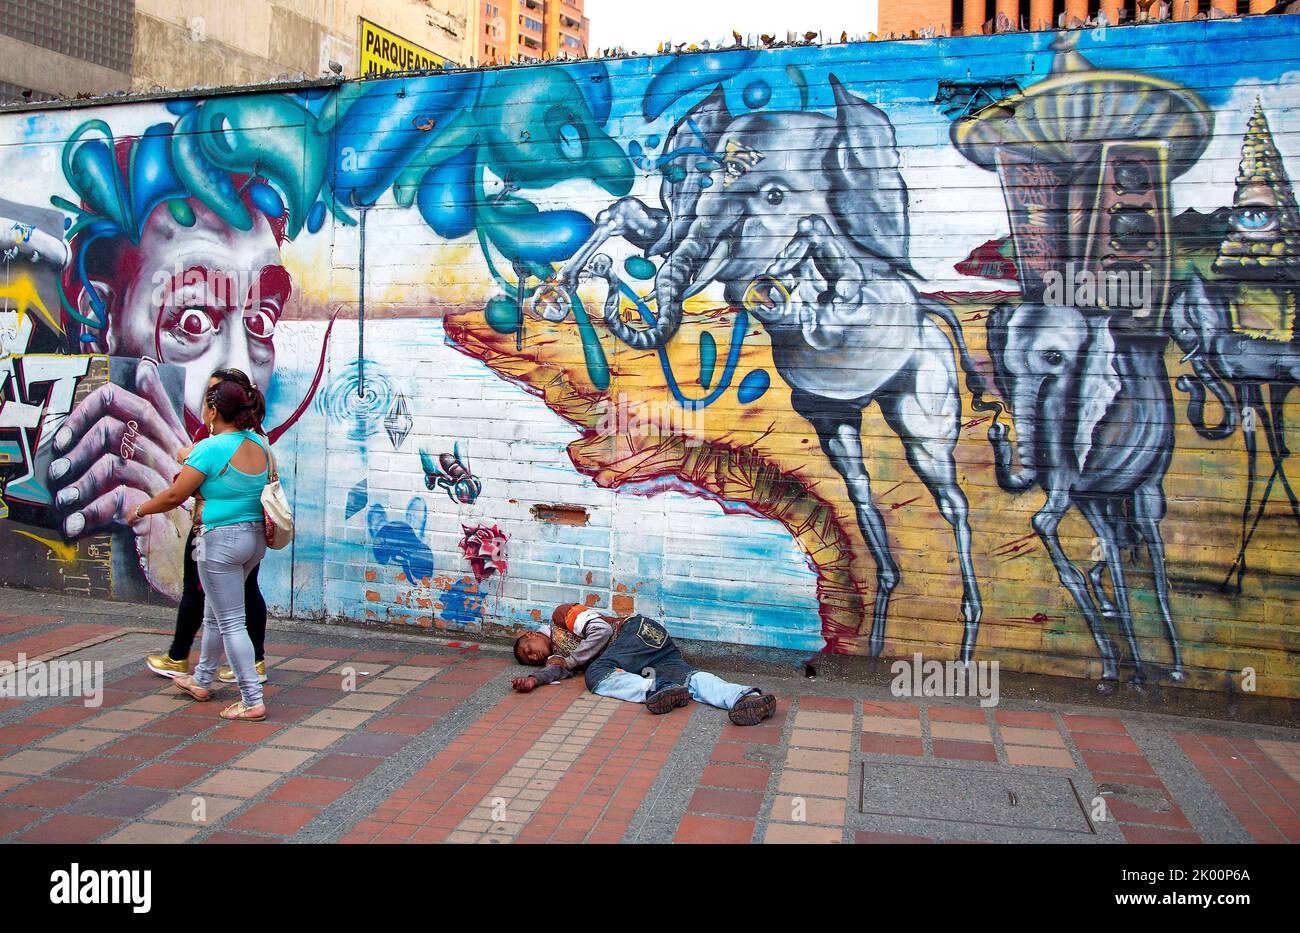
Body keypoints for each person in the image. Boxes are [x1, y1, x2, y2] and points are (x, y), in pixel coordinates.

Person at [128, 372, 272, 721]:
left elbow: (176, 494)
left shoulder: (210, 448)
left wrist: (139, 509)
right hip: (254, 539)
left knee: (231, 622)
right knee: (215, 612)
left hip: (219, 541)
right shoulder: (260, 444)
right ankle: (202, 679)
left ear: (212, 411)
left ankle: (252, 699)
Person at [512, 603, 777, 726]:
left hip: (634, 631)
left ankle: (655, 689)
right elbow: (556, 669)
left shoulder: (561, 616)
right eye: (527, 661)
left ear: (532, 634)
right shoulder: (555, 655)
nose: (531, 657)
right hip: (650, 649)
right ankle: (745, 697)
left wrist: (571, 662)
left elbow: (602, 630)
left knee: (595, 674)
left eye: (527, 650)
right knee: (689, 679)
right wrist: (534, 680)